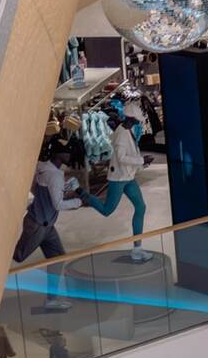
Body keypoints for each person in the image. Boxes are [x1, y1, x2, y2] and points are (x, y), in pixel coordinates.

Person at [13, 143, 79, 309]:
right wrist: (79, 202)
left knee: (58, 257)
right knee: (17, 256)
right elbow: (57, 204)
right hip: (38, 225)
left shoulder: (42, 168)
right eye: (66, 153)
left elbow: (40, 189)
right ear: (58, 155)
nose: (69, 156)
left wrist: (64, 188)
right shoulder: (55, 176)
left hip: (45, 225)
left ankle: (51, 299)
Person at [82, 104, 150, 260]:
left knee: (141, 207)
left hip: (128, 177)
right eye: (137, 119)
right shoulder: (121, 134)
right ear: (131, 118)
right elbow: (121, 158)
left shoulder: (128, 130)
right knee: (107, 211)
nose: (139, 121)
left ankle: (137, 248)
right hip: (118, 178)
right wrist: (141, 160)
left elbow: (130, 153)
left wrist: (142, 162)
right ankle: (83, 194)